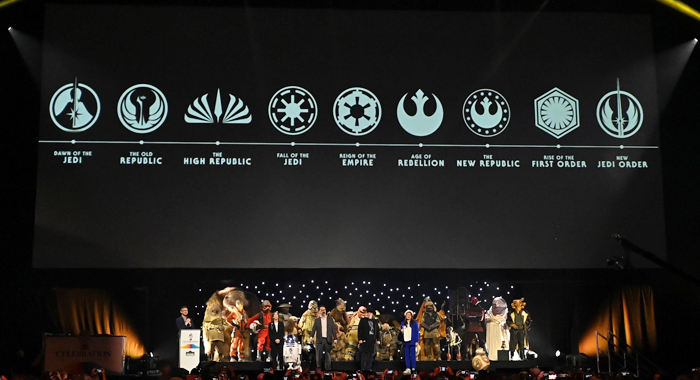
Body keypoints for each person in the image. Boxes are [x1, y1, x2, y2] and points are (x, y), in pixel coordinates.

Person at [309, 305, 337, 370]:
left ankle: (327, 368)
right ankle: (318, 368)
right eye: (321, 310)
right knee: (318, 355)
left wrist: (335, 338)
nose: (323, 311)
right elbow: (314, 329)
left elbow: (333, 329)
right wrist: (311, 337)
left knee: (328, 354)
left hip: (328, 339)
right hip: (320, 340)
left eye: (324, 310)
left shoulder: (330, 320)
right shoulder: (317, 320)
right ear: (319, 311)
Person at [484, 297, 509, 361]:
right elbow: (487, 319)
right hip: (491, 333)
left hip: (500, 333)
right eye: (494, 305)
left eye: (497, 305)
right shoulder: (489, 314)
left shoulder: (504, 315)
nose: (496, 307)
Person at [357, 307, 380, 372]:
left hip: (372, 339)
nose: (368, 314)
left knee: (370, 354)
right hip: (365, 339)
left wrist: (378, 339)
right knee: (364, 354)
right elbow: (360, 330)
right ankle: (363, 368)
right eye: (367, 313)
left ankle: (368, 368)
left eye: (369, 313)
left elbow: (377, 331)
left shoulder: (375, 321)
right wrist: (360, 339)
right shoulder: (363, 320)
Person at [400, 309, 419, 375]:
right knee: (407, 355)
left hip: (412, 341)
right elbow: (401, 332)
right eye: (407, 315)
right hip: (406, 341)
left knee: (413, 355)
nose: (408, 316)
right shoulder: (403, 323)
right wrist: (401, 331)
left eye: (409, 315)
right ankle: (408, 368)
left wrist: (416, 341)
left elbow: (416, 332)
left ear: (411, 316)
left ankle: (413, 368)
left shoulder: (415, 323)